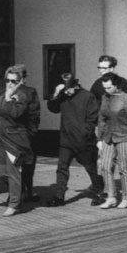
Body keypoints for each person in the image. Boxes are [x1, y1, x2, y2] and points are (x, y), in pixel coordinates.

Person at [45, 73, 105, 207]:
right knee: (62, 168)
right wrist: (56, 93)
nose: (67, 92)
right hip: (66, 140)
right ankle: (59, 197)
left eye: (68, 89)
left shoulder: (87, 96)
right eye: (64, 89)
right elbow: (53, 108)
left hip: (83, 141)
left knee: (90, 167)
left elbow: (93, 118)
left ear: (76, 86)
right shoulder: (63, 96)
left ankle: (98, 192)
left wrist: (85, 133)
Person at [0, 66, 37, 217]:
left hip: (14, 139)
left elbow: (15, 114)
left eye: (14, 81)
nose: (10, 83)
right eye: (8, 80)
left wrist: (9, 99)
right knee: (1, 171)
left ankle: (14, 204)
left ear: (21, 82)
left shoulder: (22, 96)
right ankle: (18, 192)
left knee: (13, 172)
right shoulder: (3, 95)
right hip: (1, 137)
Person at [96, 72, 127, 209]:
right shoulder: (104, 97)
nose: (106, 90)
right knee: (105, 167)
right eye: (104, 87)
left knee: (125, 168)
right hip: (108, 137)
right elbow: (101, 118)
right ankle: (111, 196)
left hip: (123, 137)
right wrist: (99, 138)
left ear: (116, 86)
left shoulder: (125, 98)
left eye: (108, 87)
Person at [15, 64, 41, 203]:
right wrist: (31, 132)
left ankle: (16, 192)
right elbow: (34, 115)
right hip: (26, 134)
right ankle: (27, 191)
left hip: (11, 134)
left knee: (13, 165)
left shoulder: (5, 91)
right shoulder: (30, 92)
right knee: (28, 164)